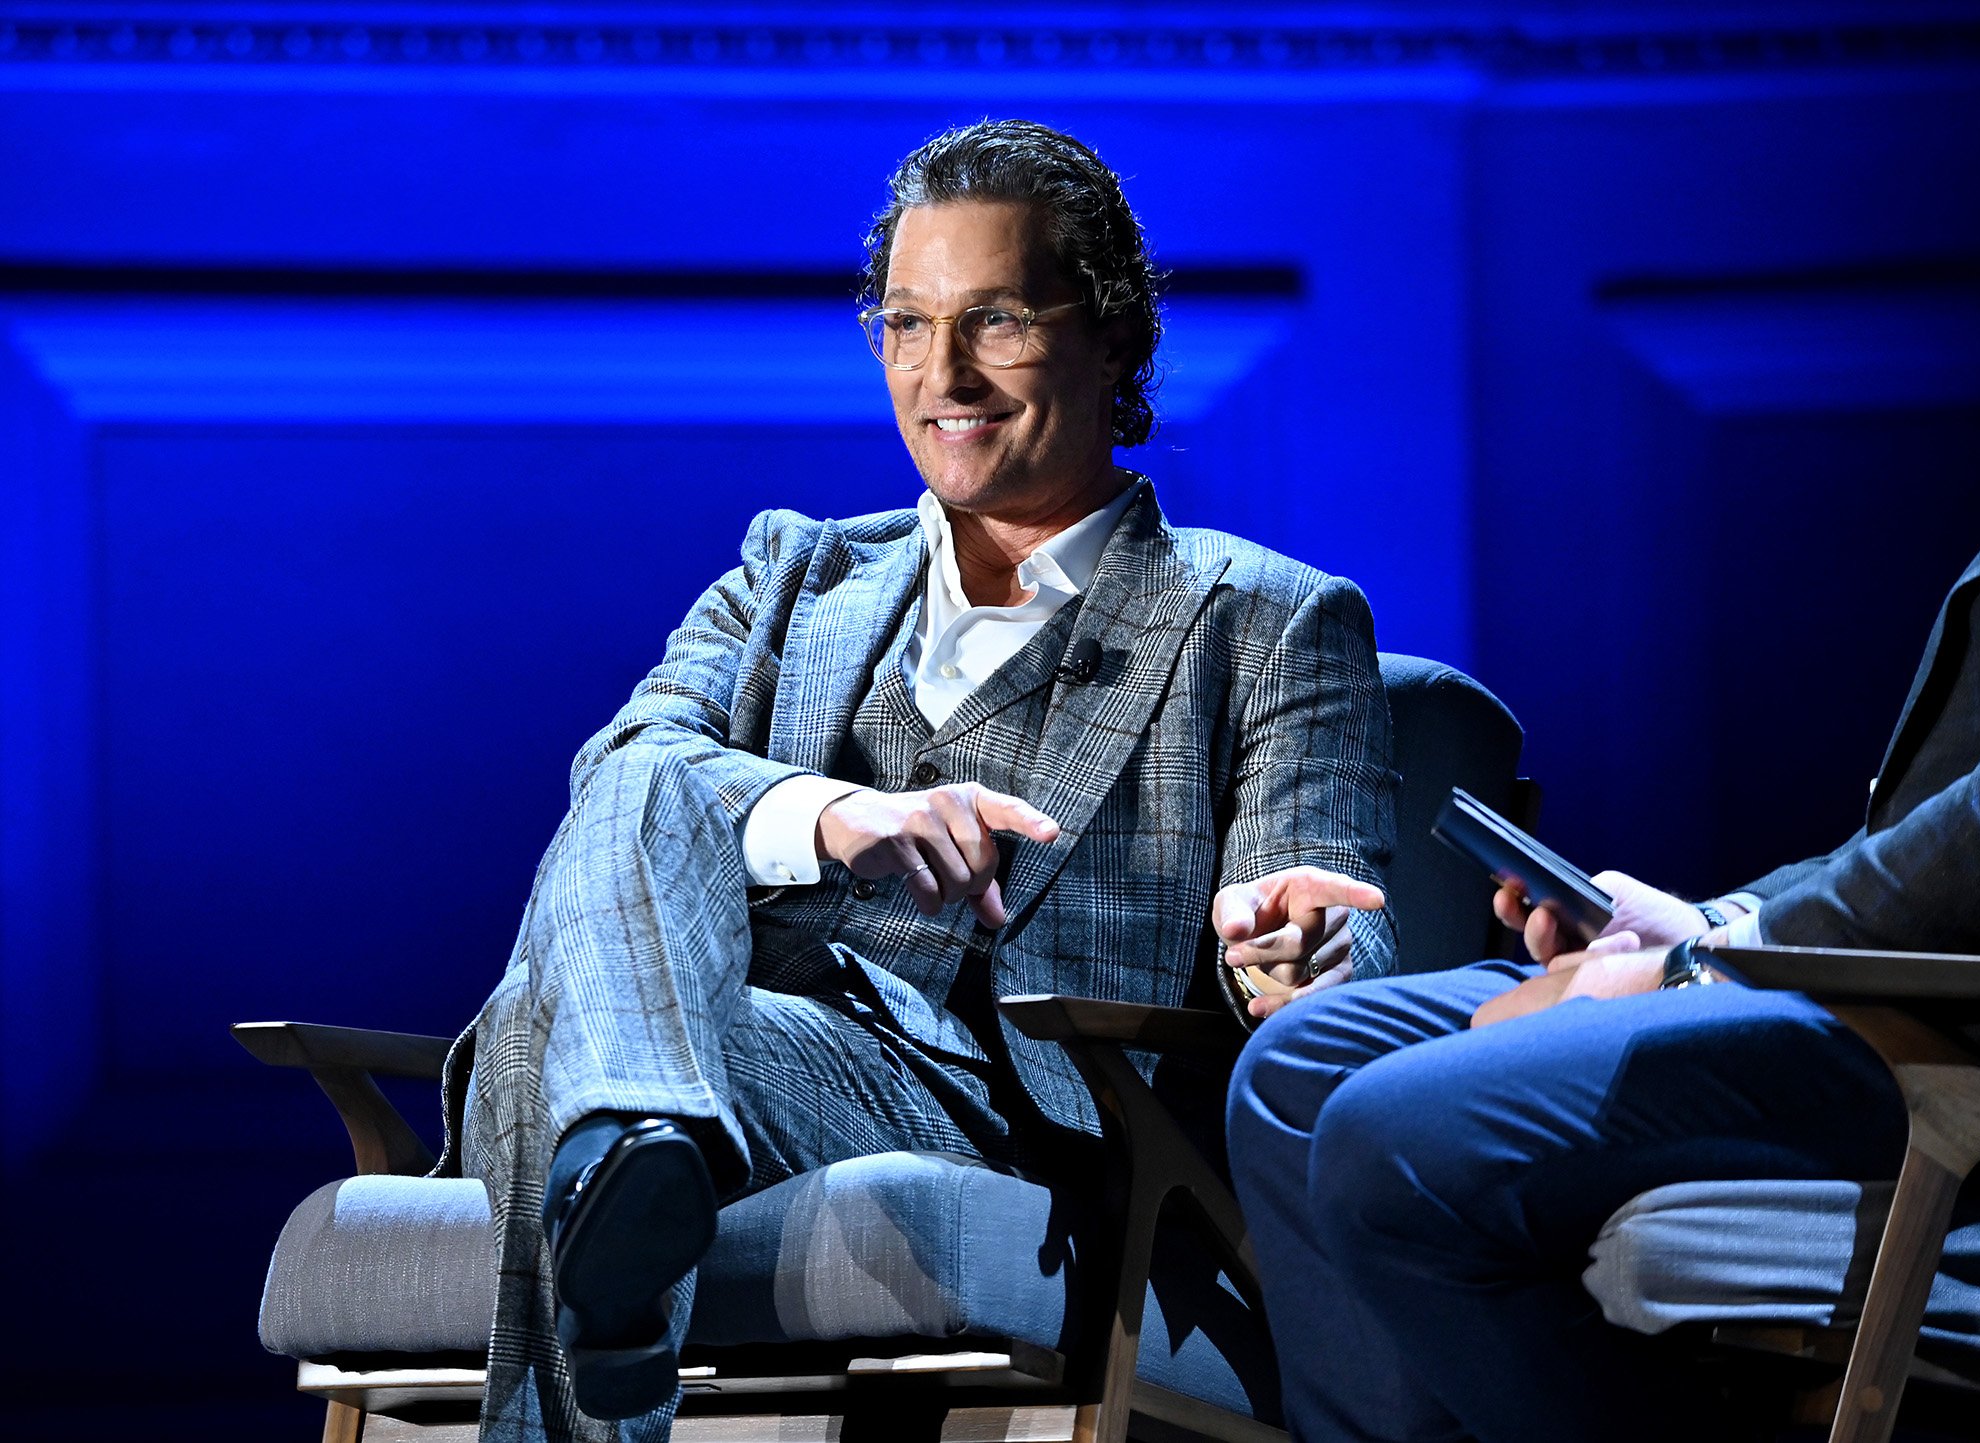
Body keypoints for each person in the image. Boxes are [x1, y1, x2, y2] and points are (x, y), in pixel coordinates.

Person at [453, 118, 1399, 1443]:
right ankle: (631, 1157)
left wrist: (1295, 954)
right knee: (634, 787)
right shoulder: (794, 572)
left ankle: (613, 1199)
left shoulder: (1265, 620)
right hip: (751, 1053)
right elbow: (623, 775)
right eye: (905, 321)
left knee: (539, 1027)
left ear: (1116, 336)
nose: (941, 371)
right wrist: (839, 815)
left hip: (1027, 1113)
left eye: (996, 318)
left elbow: (1332, 920)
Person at [1225, 523, 1980, 1443]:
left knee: (1388, 1139)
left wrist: (1702, 965)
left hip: (1945, 1025)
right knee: (1300, 1067)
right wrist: (1715, 921)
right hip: (1861, 971)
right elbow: (1927, 827)